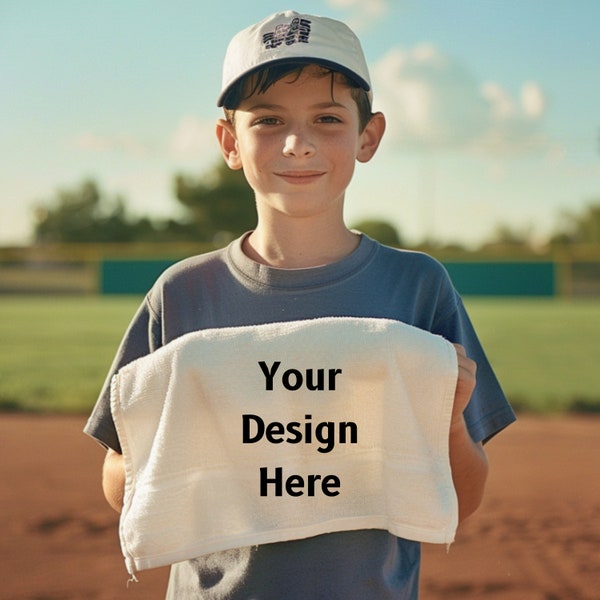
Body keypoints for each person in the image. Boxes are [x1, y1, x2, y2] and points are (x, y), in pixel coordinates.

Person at [85, 10, 515, 599]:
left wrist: (444, 421)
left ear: (369, 136)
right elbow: (121, 486)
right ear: (229, 141)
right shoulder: (182, 293)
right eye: (267, 120)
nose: (297, 143)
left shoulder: (417, 287)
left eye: (327, 117)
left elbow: (460, 503)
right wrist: (165, 431)